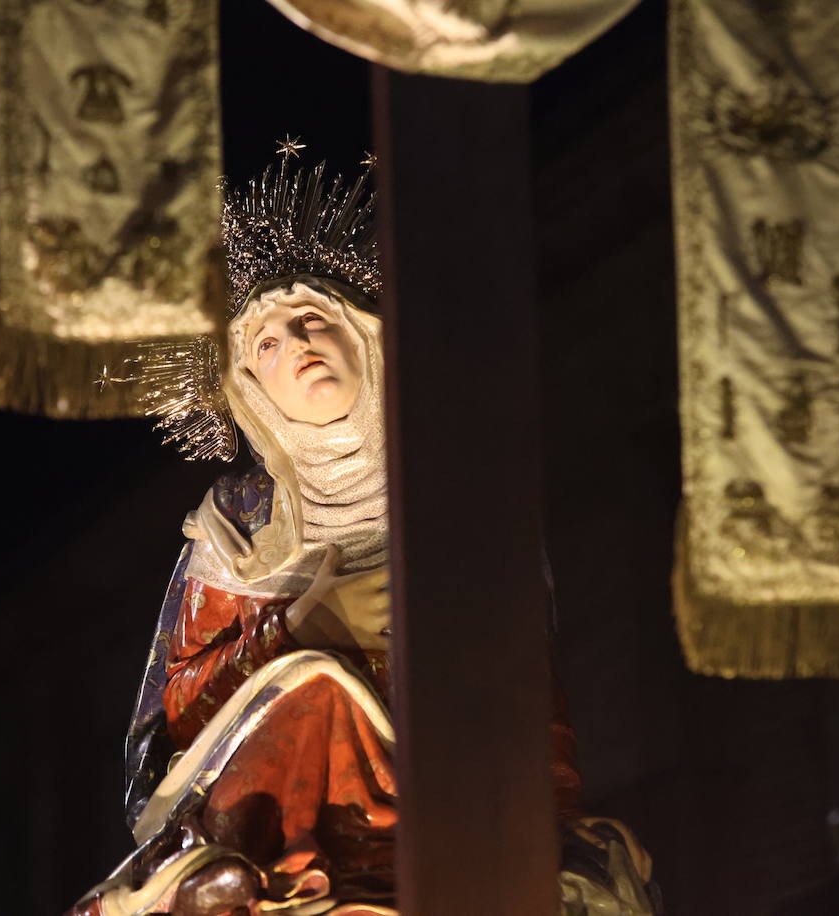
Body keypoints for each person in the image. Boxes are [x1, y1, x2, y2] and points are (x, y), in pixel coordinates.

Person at [67, 154, 658, 916]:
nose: (299, 343)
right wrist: (301, 627)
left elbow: (523, 675)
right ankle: (276, 872)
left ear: (366, 338)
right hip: (286, 789)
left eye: (313, 319)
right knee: (315, 688)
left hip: (445, 775)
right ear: (250, 387)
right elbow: (174, 713)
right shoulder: (240, 525)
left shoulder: (456, 502)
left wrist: (547, 813)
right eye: (267, 344)